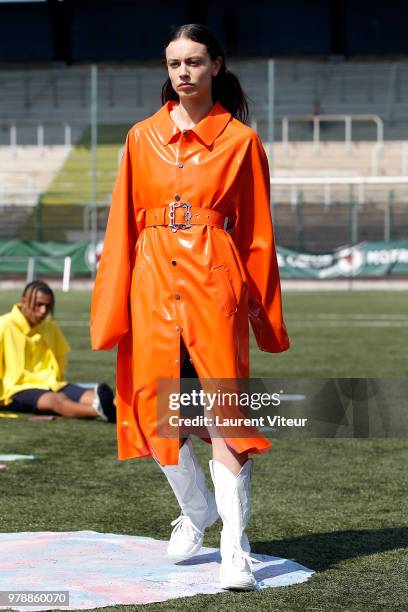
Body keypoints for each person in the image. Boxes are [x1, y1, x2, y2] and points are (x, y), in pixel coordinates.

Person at [91, 24, 289, 590]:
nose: (184, 72)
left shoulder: (241, 142)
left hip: (214, 285)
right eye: (175, 62)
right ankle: (197, 510)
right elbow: (121, 225)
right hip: (152, 285)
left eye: (195, 61)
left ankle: (234, 550)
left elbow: (258, 235)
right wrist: (113, 304)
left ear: (216, 66)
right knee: (155, 411)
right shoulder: (139, 138)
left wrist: (262, 311)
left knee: (226, 417)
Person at [0, 280, 116, 422]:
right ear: (24, 301)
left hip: (50, 384)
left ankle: (117, 409)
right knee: (57, 400)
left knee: (93, 395)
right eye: (39, 305)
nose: (43, 311)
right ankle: (101, 411)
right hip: (16, 390)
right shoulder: (4, 325)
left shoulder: (49, 326)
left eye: (47, 306)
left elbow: (60, 359)